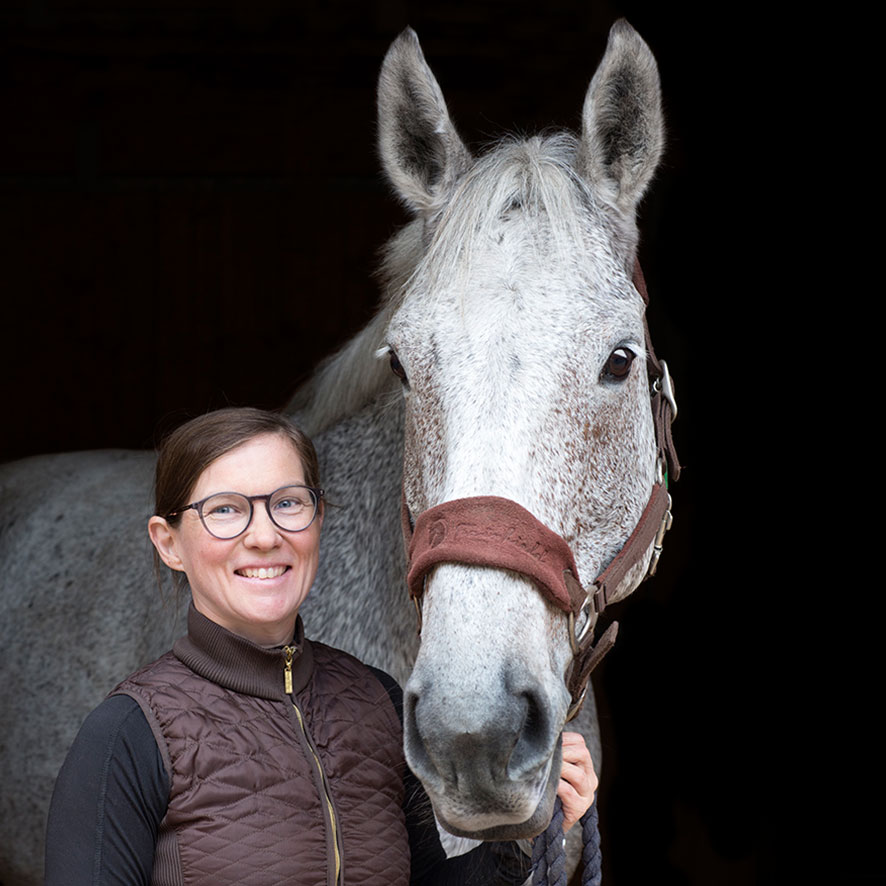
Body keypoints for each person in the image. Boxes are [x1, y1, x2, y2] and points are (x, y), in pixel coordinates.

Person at [45, 407, 597, 885]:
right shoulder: (127, 734)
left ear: (318, 520)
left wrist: (525, 840)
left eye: (287, 503)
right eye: (225, 510)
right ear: (169, 544)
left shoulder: (377, 702)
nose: (264, 536)